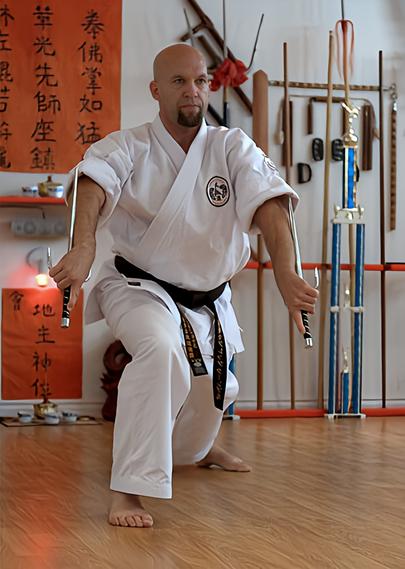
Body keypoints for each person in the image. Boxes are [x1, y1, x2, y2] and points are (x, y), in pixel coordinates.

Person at [50, 43, 318, 528]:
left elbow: (269, 205)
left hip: (208, 298)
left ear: (210, 85)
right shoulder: (129, 146)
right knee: (160, 351)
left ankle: (197, 448)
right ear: (156, 90)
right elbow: (92, 183)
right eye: (179, 82)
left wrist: (285, 272)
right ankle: (129, 489)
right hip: (138, 286)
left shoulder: (231, 146)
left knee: (211, 391)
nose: (192, 91)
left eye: (199, 81)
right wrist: (84, 246)